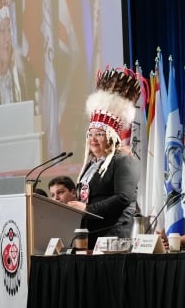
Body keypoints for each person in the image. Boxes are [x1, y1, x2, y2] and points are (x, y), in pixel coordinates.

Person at [67, 67, 140, 247]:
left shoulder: (122, 160)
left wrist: (87, 209)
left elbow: (124, 197)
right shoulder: (91, 165)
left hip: (114, 236)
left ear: (111, 137)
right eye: (90, 134)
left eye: (99, 134)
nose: (93, 139)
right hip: (91, 234)